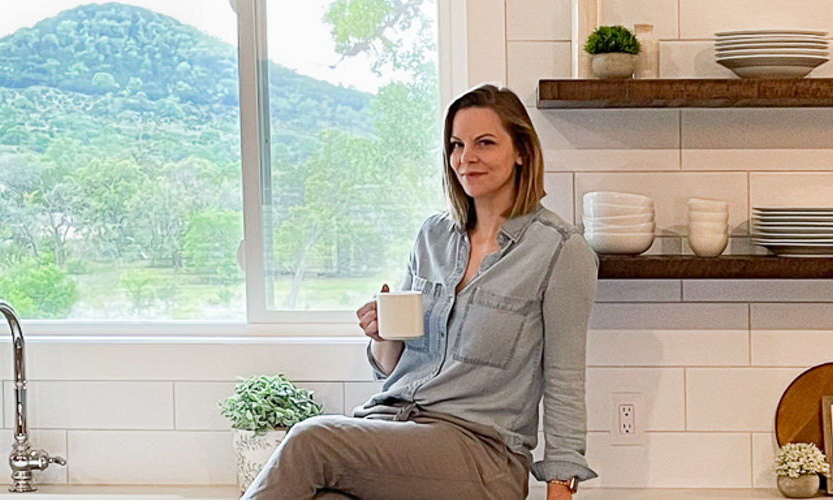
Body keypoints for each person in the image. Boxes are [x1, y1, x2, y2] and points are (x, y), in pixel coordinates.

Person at [241, 84, 598, 500]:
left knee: (311, 438)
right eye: (456, 145)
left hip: (482, 455)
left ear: (521, 150)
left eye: (485, 143)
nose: (466, 159)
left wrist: (561, 490)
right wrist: (383, 336)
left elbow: (565, 381)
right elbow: (390, 367)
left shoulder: (560, 250)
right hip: (398, 426)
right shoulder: (433, 235)